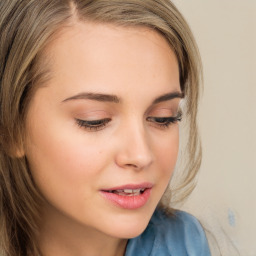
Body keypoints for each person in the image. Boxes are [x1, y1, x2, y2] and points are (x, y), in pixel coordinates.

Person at [0, 1, 211, 255]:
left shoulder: (184, 243)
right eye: (95, 120)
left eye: (162, 117)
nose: (141, 155)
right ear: (10, 129)